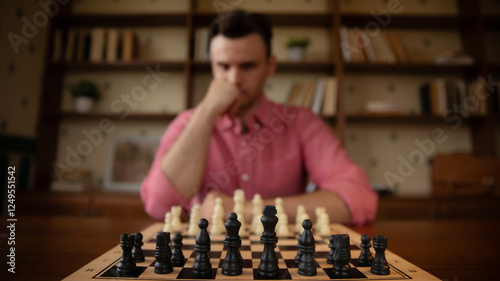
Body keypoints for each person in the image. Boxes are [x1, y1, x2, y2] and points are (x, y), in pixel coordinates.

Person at [141, 9, 377, 226]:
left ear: (270, 66)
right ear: (212, 66)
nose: (234, 79)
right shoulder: (187, 123)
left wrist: (249, 211)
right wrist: (207, 110)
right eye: (223, 66)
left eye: (247, 66)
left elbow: (358, 197)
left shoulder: (301, 123)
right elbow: (158, 205)